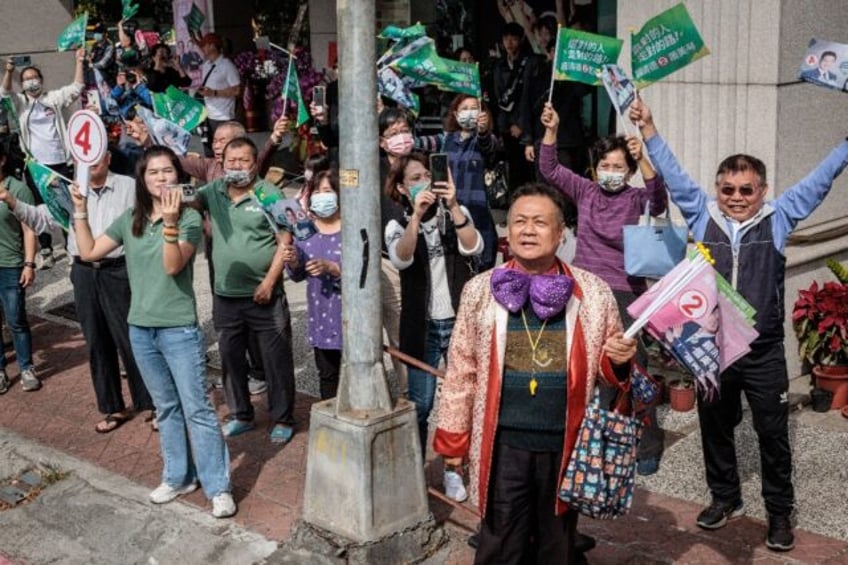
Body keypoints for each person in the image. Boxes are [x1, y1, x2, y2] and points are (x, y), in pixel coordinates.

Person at [630, 96, 848, 552]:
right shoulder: (701, 212)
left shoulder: (780, 216)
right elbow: (671, 172)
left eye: (746, 190)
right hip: (711, 349)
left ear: (762, 190)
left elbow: (820, 180)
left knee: (772, 434)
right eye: (728, 189)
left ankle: (780, 514)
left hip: (763, 351)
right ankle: (724, 497)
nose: (736, 198)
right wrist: (649, 128)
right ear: (717, 189)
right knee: (715, 427)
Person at [433, 182, 637, 563]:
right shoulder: (480, 290)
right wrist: (453, 441)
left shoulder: (593, 292)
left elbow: (611, 371)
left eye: (540, 222)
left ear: (561, 235)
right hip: (501, 440)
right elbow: (461, 370)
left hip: (566, 443)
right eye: (519, 222)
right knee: (499, 541)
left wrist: (621, 359)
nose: (528, 230)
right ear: (507, 231)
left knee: (556, 544)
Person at [71, 145, 236, 518]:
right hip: (140, 329)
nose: (163, 178)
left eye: (168, 172)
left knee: (198, 409)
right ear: (141, 180)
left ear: (178, 176)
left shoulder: (190, 219)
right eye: (154, 173)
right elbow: (90, 251)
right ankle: (179, 476)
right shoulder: (132, 219)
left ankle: (218, 486)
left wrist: (172, 220)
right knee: (166, 408)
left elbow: (173, 265)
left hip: (178, 329)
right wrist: (80, 209)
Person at [539, 102, 668, 474]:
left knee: (634, 368)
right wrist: (552, 128)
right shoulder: (585, 191)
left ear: (627, 171)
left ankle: (646, 446)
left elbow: (659, 200)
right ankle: (591, 436)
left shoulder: (635, 197)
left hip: (627, 292)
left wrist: (643, 158)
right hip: (586, 290)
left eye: (618, 167)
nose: (611, 173)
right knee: (585, 365)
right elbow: (549, 169)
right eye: (605, 166)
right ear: (595, 169)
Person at [3, 150, 154, 429]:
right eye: (83, 159)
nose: (90, 163)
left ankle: (151, 404)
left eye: (96, 156)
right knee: (96, 341)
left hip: (118, 270)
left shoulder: (129, 187)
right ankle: (113, 407)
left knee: (131, 339)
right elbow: (40, 219)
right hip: (83, 272)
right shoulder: (68, 191)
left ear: (108, 157)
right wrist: (12, 201)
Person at [193, 137, 296, 443]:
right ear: (221, 162)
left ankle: (283, 417)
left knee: (275, 360)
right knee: (230, 358)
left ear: (255, 163)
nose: (236, 166)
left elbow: (285, 241)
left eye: (244, 161)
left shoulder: (269, 194)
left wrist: (268, 282)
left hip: (265, 295)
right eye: (230, 160)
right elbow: (188, 203)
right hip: (225, 295)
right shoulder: (213, 191)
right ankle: (242, 414)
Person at [384, 152, 483, 464]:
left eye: (428, 175)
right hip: (422, 325)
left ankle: (455, 468)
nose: (424, 182)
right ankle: (415, 469)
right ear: (401, 188)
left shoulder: (456, 213)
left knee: (461, 401)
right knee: (421, 403)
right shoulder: (396, 224)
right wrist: (416, 217)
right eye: (415, 179)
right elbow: (402, 258)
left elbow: (474, 246)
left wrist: (453, 206)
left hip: (458, 323)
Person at [1, 49, 86, 269]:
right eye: (26, 79)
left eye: (34, 77)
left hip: (59, 163)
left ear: (41, 79)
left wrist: (79, 61)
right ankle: (46, 249)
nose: (31, 82)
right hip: (36, 165)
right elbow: (4, 92)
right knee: (39, 206)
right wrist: (9, 71)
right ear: (22, 83)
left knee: (66, 205)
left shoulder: (52, 99)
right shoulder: (20, 102)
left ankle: (71, 247)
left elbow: (76, 89)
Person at [416, 94, 501, 270]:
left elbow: (488, 145)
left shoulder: (485, 139)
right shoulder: (446, 139)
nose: (469, 113)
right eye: (464, 109)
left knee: (482, 262)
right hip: (449, 213)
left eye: (474, 108)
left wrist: (483, 131)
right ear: (455, 114)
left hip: (478, 213)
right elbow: (419, 142)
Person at [284, 170, 342, 400]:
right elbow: (297, 275)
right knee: (328, 376)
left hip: (351, 321)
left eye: (328, 191)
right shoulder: (306, 232)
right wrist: (294, 260)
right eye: (317, 192)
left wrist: (332, 267)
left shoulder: (354, 228)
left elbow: (363, 274)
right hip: (322, 320)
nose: (322, 196)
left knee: (357, 377)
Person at [521, 17, 591, 181]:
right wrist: (528, 141)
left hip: (569, 141)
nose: (558, 55)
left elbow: (584, 91)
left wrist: (576, 73)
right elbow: (526, 107)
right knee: (545, 188)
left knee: (568, 187)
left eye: (563, 52)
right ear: (549, 53)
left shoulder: (573, 76)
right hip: (542, 140)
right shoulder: (536, 74)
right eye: (555, 51)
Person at [0, 144, 38, 393]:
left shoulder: (18, 189)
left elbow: (29, 228)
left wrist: (29, 263)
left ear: (2, 160)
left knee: (16, 319)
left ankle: (26, 367)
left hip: (11, 264)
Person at [493, 22, 532, 194]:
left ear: (521, 40)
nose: (509, 43)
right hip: (507, 126)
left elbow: (528, 98)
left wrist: (520, 125)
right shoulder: (499, 66)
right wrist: (508, 125)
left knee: (527, 169)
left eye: (513, 39)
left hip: (526, 125)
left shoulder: (528, 63)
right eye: (506, 39)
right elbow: (498, 97)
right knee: (513, 167)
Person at [194, 34, 241, 157]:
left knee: (226, 152)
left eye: (205, 45)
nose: (202, 48)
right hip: (207, 116)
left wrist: (214, 93)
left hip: (223, 116)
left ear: (213, 46)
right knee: (209, 153)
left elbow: (237, 90)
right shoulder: (206, 65)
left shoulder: (227, 65)